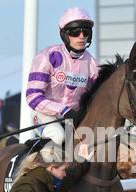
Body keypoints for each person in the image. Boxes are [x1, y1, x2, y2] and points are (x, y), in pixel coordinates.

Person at [26, 7, 98, 146]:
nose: (82, 36)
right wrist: (63, 110)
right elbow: (33, 97)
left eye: (86, 32)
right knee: (58, 136)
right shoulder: (47, 56)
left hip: (74, 118)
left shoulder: (93, 64)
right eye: (75, 32)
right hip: (45, 115)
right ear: (64, 34)